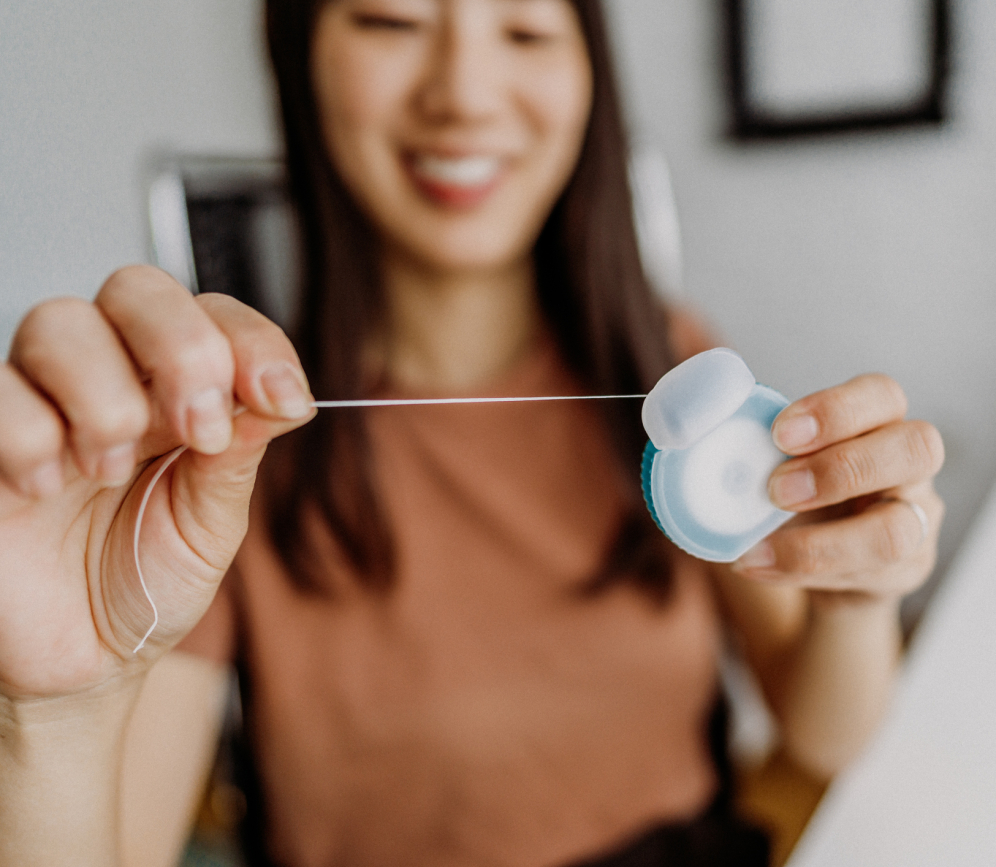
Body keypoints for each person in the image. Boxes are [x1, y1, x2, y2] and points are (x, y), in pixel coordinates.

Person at [0, 1, 945, 865]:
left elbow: (824, 733)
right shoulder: (213, 468)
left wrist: (857, 598)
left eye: (526, 30)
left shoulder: (676, 368)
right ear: (298, 58)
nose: (463, 93)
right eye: (391, 18)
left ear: (591, 80)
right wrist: (50, 712)